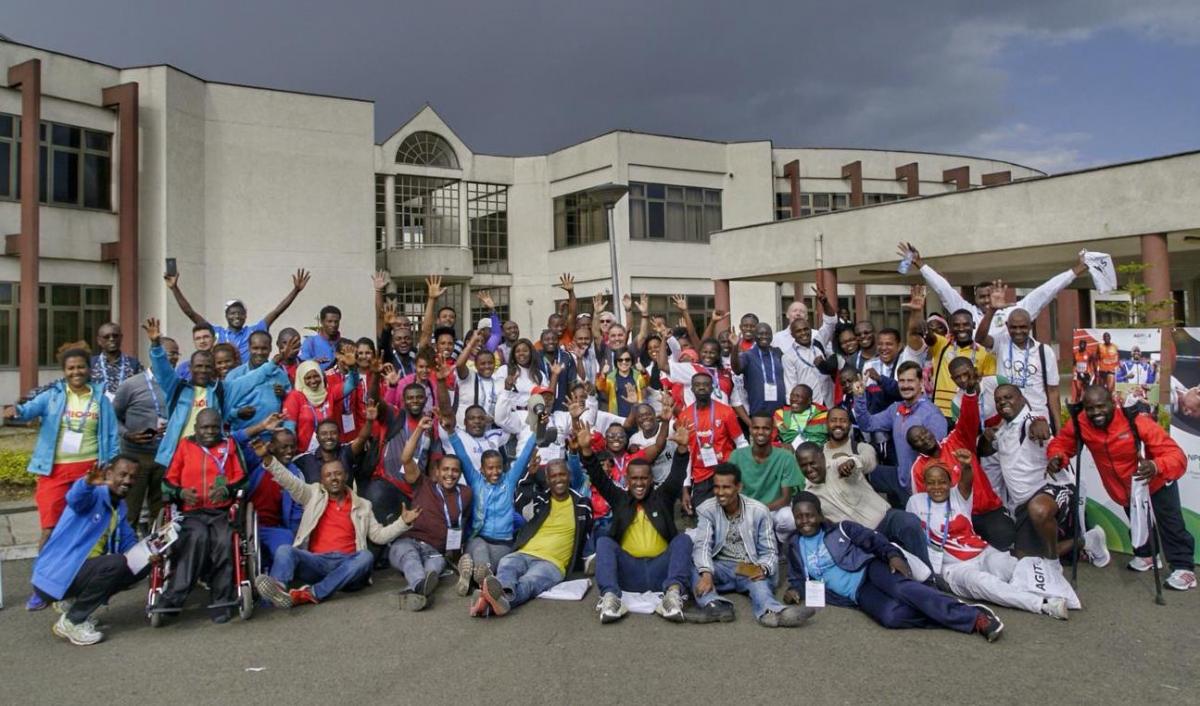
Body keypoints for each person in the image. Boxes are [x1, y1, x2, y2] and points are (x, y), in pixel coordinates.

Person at [784, 492, 1003, 641]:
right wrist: (793, 590)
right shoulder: (793, 545)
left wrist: (892, 556)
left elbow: (873, 539)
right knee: (891, 617)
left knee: (903, 589)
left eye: (809, 515)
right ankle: (955, 614)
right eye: (799, 517)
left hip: (869, 570)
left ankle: (976, 619)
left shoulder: (842, 528)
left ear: (820, 515)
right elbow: (796, 576)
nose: (805, 521)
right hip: (856, 593)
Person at [3, 346, 120, 612]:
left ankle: (79, 584)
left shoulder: (101, 397)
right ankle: (41, 589)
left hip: (90, 472)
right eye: (71, 368)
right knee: (50, 529)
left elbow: (112, 434)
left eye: (81, 367)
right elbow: (30, 409)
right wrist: (16, 411)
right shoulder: (54, 395)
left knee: (87, 529)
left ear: (89, 369)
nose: (76, 372)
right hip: (54, 471)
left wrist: (111, 467)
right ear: (64, 371)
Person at [1047, 385, 1195, 590]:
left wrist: (1156, 466)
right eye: (1090, 408)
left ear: (1113, 404)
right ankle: (1147, 556)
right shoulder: (1080, 423)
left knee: (1170, 523)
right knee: (1137, 520)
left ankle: (1183, 568)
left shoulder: (1135, 420)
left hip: (1156, 478)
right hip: (1124, 486)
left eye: (1101, 406)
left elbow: (1175, 455)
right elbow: (1062, 445)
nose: (1096, 413)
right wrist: (1057, 458)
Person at [907, 455, 1072, 620]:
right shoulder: (915, 502)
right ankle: (1043, 604)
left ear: (950, 483)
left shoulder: (958, 495)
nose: (937, 487)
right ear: (925, 484)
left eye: (942, 482)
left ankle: (1055, 591)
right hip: (955, 569)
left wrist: (966, 466)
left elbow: (966, 480)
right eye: (931, 482)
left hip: (984, 553)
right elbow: (909, 534)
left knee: (1013, 567)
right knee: (986, 584)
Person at [254, 452, 421, 609]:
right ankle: (277, 589)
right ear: (322, 480)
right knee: (285, 550)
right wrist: (268, 459)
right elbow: (289, 481)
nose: (333, 478)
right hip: (316, 562)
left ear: (346, 477)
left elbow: (378, 536)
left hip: (348, 564)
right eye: (328, 475)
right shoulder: (312, 494)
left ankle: (311, 593)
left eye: (338, 474)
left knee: (366, 557)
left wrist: (402, 523)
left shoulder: (363, 505)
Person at [576, 420, 693, 623]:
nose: (639, 484)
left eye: (644, 479)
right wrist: (586, 450)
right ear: (627, 480)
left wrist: (682, 449)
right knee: (604, 541)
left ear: (650, 480)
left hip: (661, 571)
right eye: (634, 479)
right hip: (630, 572)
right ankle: (611, 598)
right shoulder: (619, 498)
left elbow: (676, 476)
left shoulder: (662, 497)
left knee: (683, 539)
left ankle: (672, 596)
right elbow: (597, 476)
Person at [143, 317, 295, 470]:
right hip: (177, 458)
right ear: (190, 368)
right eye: (199, 366)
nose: (203, 370)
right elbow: (162, 370)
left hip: (211, 459)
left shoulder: (223, 391)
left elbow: (254, 377)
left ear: (213, 369)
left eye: (207, 366)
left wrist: (276, 361)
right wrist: (156, 345)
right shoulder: (177, 388)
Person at [31, 457, 147, 645]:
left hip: (81, 572)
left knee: (140, 564)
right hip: (56, 575)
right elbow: (75, 499)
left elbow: (128, 542)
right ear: (109, 474)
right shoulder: (94, 494)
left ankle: (76, 604)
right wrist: (86, 483)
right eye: (122, 474)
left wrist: (151, 552)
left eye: (132, 477)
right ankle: (72, 621)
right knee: (115, 563)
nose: (127, 481)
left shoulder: (121, 506)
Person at [989, 384, 1109, 564]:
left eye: (1008, 397)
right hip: (1022, 505)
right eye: (998, 400)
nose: (1003, 402)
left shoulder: (1030, 420)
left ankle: (1053, 562)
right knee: (1024, 561)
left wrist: (1040, 423)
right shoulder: (1004, 430)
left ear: (1023, 399)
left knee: (1039, 511)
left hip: (1052, 489)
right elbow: (985, 449)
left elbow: (1039, 424)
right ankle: (1087, 541)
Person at [688, 463, 810, 627]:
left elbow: (769, 551)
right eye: (717, 487)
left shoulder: (759, 511)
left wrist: (763, 568)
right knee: (695, 567)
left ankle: (773, 612)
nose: (720, 492)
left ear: (739, 487)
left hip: (747, 565)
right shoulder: (707, 509)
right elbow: (702, 545)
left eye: (726, 487)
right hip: (721, 566)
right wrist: (707, 574)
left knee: (760, 585)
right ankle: (713, 605)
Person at [159, 408, 249, 622]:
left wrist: (227, 489)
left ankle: (221, 600)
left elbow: (244, 479)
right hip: (192, 513)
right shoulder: (185, 446)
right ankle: (173, 598)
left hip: (221, 511)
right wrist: (179, 492)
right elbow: (167, 482)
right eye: (205, 427)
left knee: (224, 542)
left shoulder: (229, 445)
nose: (210, 432)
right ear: (196, 428)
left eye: (214, 427)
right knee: (196, 539)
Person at [473, 458, 593, 617]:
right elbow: (520, 500)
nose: (558, 479)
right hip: (524, 553)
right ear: (548, 480)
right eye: (554, 476)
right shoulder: (541, 501)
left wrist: (586, 561)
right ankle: (497, 600)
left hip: (552, 563)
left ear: (569, 476)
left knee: (529, 582)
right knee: (506, 563)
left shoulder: (582, 504)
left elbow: (587, 534)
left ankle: (489, 602)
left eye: (562, 474)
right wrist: (529, 475)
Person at [791, 438, 931, 568]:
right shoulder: (809, 497)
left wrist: (853, 462)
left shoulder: (840, 465)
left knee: (909, 522)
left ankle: (929, 578)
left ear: (822, 456)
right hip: (863, 540)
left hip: (885, 518)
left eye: (812, 463)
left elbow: (868, 462)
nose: (809, 469)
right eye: (804, 465)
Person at [907, 381, 1013, 549]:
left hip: (987, 511)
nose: (924, 439)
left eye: (924, 433)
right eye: (917, 440)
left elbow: (967, 420)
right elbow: (923, 504)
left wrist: (970, 393)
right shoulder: (918, 469)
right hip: (956, 521)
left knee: (1007, 550)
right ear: (914, 448)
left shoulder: (955, 440)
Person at [899, 241, 1088, 335]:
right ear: (975, 298)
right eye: (982, 297)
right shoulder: (967, 314)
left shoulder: (1015, 312)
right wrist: (920, 263)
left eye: (990, 296)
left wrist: (1076, 270)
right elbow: (944, 290)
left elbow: (1046, 291)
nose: (987, 301)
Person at [388, 428, 472, 611]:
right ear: (437, 472)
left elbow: (460, 525)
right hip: (408, 542)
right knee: (411, 559)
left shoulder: (465, 494)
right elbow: (406, 459)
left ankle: (417, 591)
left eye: (455, 471)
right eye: (446, 469)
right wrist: (419, 429)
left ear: (460, 474)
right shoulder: (423, 484)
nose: (450, 474)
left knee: (434, 569)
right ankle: (420, 585)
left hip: (435, 551)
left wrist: (456, 555)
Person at [451, 429, 539, 595]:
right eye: (490, 468)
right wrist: (451, 434)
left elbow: (524, 455)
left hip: (502, 543)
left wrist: (537, 431)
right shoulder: (476, 481)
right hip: (479, 537)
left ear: (503, 467)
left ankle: (469, 573)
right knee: (480, 550)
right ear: (482, 470)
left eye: (499, 467)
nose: (495, 472)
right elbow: (462, 456)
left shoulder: (509, 481)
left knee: (489, 563)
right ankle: (482, 579)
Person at [851, 361, 944, 506]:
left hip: (924, 485)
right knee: (855, 472)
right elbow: (867, 424)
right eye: (902, 381)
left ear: (921, 383)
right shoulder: (895, 409)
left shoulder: (932, 413)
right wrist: (860, 397)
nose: (905, 385)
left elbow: (938, 454)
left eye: (910, 380)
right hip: (901, 479)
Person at [111, 336, 180, 533]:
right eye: (169, 353)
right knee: (130, 511)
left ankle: (154, 558)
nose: (173, 358)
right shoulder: (131, 385)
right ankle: (125, 556)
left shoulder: (178, 384)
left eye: (176, 354)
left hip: (165, 456)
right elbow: (112, 416)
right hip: (136, 457)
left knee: (160, 512)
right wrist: (127, 434)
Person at [165, 268, 310, 361]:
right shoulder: (216, 333)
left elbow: (277, 311)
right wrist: (174, 288)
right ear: (226, 315)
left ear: (245, 316)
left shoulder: (255, 331)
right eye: (232, 313)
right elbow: (190, 313)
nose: (236, 316)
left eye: (240, 314)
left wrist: (296, 290)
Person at [975, 286, 1061, 421]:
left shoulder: (1044, 352)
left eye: (1023, 327)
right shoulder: (1001, 342)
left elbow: (1053, 392)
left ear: (1030, 327)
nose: (1018, 331)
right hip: (1007, 417)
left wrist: (1058, 428)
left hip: (1038, 418)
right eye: (1013, 327)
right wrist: (991, 311)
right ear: (1007, 326)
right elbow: (979, 338)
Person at [678, 372, 747, 515]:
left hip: (725, 472)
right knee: (703, 514)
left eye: (705, 384)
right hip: (700, 475)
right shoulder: (684, 416)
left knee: (731, 513)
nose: (701, 388)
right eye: (697, 385)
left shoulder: (726, 412)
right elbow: (687, 455)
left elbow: (741, 443)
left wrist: (744, 472)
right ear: (692, 389)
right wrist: (685, 488)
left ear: (712, 388)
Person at [729, 415, 804, 529]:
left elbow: (786, 498)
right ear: (750, 429)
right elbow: (730, 491)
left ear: (773, 431)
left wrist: (760, 511)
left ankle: (781, 542)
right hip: (745, 511)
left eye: (765, 428)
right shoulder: (737, 455)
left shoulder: (785, 457)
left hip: (774, 509)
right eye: (756, 428)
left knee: (789, 518)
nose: (760, 432)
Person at [226, 330, 293, 437]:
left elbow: (290, 408)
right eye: (255, 348)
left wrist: (284, 395)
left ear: (270, 348)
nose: (260, 352)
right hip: (243, 438)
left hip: (271, 438)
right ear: (249, 348)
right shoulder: (235, 375)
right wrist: (237, 413)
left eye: (264, 348)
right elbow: (223, 411)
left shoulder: (280, 374)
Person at [282, 360, 358, 454]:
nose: (313, 381)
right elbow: (289, 429)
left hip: (330, 450)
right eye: (308, 378)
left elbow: (352, 384)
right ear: (301, 379)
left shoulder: (329, 393)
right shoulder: (295, 397)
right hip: (305, 454)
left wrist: (353, 368)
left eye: (316, 376)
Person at [780, 289, 837, 408]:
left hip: (828, 402)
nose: (804, 333)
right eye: (799, 331)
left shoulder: (819, 342)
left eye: (806, 329)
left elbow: (830, 323)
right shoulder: (789, 356)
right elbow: (791, 386)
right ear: (792, 335)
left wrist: (825, 303)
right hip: (809, 406)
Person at [730, 322, 786, 418]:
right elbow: (736, 369)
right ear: (755, 336)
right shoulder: (748, 355)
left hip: (780, 411)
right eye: (760, 334)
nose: (764, 336)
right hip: (758, 410)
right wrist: (735, 347)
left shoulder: (777, 353)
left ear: (772, 336)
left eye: (767, 334)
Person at [91, 322, 142, 399]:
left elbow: (143, 389)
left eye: (115, 336)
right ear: (99, 340)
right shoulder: (91, 364)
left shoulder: (134, 364)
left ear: (121, 338)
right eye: (106, 337)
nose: (111, 339)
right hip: (98, 409)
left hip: (126, 409)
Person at [300, 305, 343, 371]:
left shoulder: (343, 343)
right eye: (329, 321)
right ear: (322, 322)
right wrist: (313, 361)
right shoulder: (310, 342)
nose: (333, 325)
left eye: (336, 322)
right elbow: (302, 363)